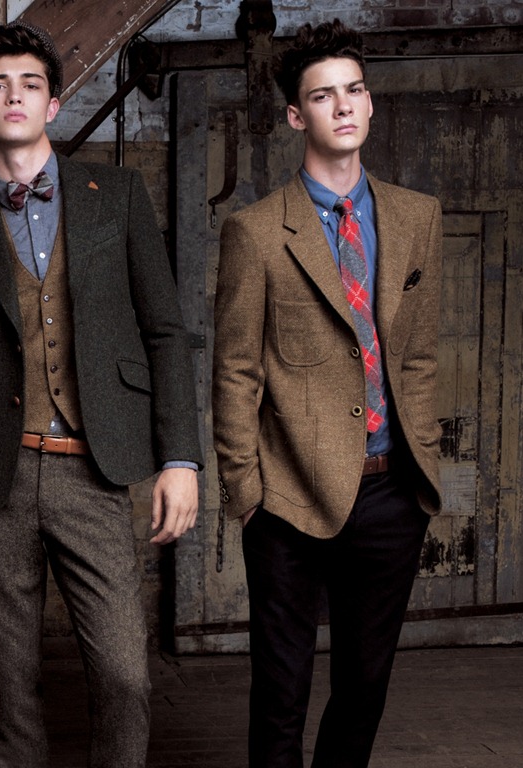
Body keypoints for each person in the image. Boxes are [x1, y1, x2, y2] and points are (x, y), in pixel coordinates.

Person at [0, 21, 202, 768]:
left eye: (30, 84)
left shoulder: (118, 197)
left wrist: (180, 458)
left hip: (92, 471)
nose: (13, 96)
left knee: (124, 676)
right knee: (12, 690)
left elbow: (165, 333)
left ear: (52, 104)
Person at [213, 18, 442, 768]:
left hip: (390, 490)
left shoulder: (416, 216)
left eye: (353, 90)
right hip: (287, 499)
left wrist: (422, 465)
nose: (342, 106)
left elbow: (417, 355)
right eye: (322, 96)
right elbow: (235, 371)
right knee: (281, 693)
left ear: (369, 103)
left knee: (363, 688)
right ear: (295, 115)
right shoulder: (255, 232)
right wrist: (247, 494)